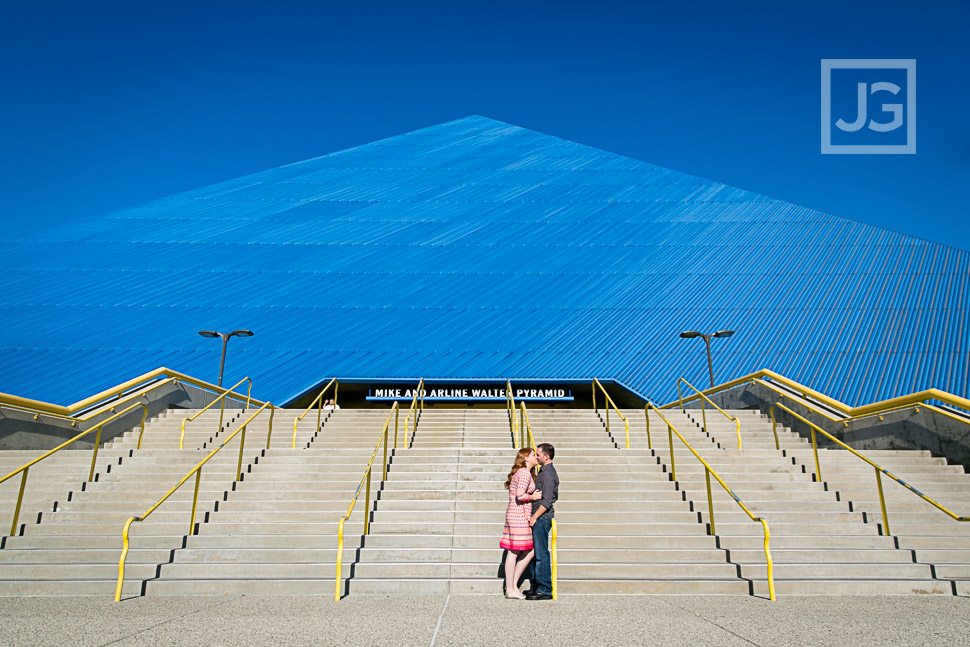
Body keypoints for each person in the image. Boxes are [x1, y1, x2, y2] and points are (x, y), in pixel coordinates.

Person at [500, 447, 542, 599]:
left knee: (525, 549)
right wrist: (533, 497)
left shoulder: (524, 473)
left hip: (517, 514)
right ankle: (511, 587)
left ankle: (512, 585)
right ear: (526, 458)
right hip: (518, 515)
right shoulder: (524, 473)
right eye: (533, 455)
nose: (536, 458)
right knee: (514, 551)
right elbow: (520, 495)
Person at [525, 443, 558, 601]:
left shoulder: (548, 474)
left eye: (538, 454)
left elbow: (547, 501)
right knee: (535, 553)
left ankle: (544, 588)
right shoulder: (542, 472)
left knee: (541, 553)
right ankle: (536, 586)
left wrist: (535, 516)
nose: (536, 457)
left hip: (541, 518)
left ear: (546, 456)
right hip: (537, 517)